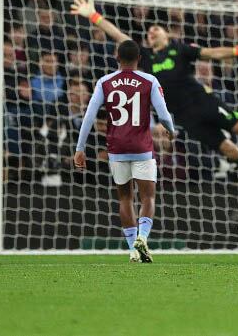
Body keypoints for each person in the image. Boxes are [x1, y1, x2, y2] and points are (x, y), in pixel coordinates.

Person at [70, 0, 238, 199]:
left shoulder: (180, 49)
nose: (151, 32)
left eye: (156, 29)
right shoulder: (147, 58)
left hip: (206, 104)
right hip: (187, 119)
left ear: (166, 33)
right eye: (149, 32)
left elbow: (211, 54)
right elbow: (119, 36)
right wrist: (92, 15)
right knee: (231, 152)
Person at [74, 40, 175, 263]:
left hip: (116, 148)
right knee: (147, 196)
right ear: (139, 58)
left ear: (117, 57)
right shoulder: (149, 80)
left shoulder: (105, 82)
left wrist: (80, 148)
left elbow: (89, 117)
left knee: (125, 198)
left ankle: (133, 248)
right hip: (142, 148)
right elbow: (164, 114)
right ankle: (143, 238)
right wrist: (171, 130)